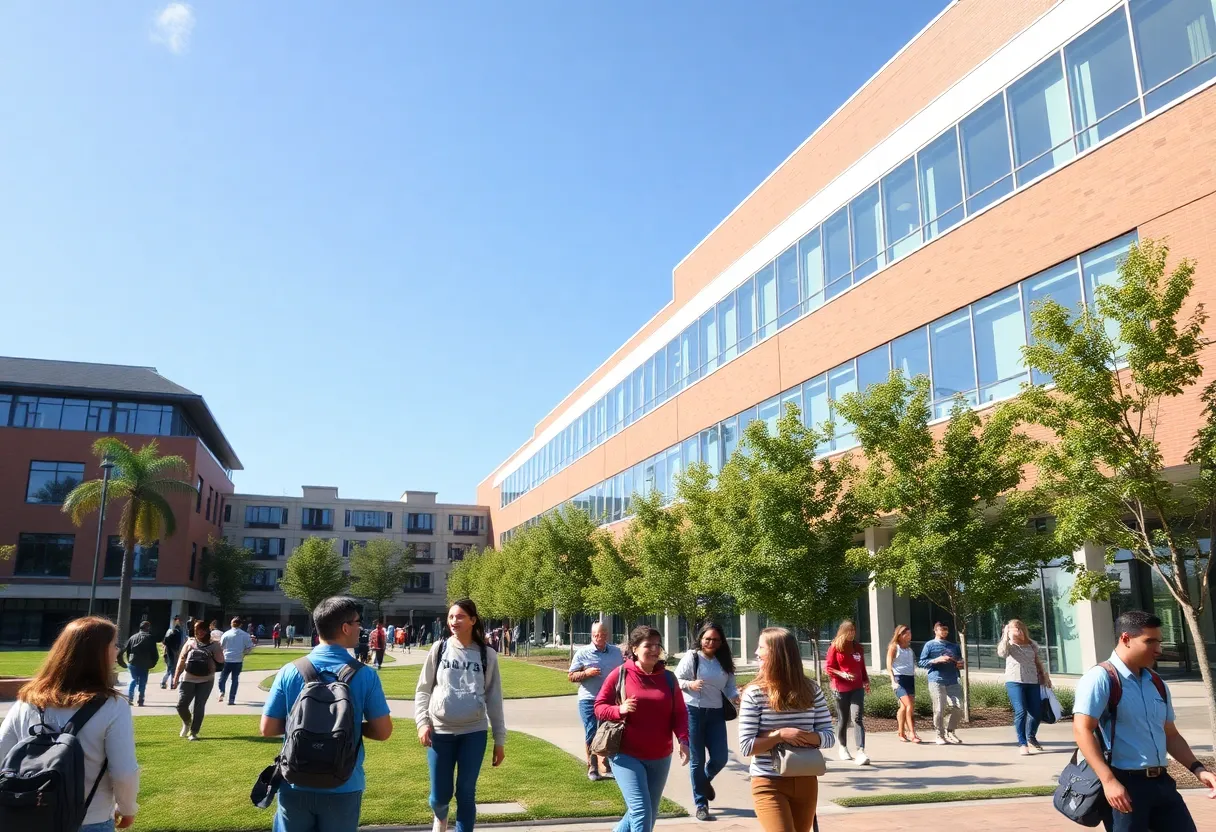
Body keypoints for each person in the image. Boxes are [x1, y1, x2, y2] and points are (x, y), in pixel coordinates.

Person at [1073, 610, 1216, 832]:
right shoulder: (1101, 678)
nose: (1158, 649)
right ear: (1126, 639)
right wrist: (1109, 782)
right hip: (1125, 786)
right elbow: (1082, 731)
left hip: (1162, 784)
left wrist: (1198, 769)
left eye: (1158, 641)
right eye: (1149, 641)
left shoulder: (1156, 682)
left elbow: (1171, 734)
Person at [261, 596, 393, 832]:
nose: (360, 628)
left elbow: (267, 728)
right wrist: (349, 726)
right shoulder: (365, 675)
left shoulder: (290, 671)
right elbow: (383, 731)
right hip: (343, 783)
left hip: (295, 781)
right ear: (345, 628)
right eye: (357, 622)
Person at [0, 616, 140, 832]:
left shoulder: (27, 701)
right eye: (113, 645)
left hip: (27, 814)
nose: (117, 651)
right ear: (97, 654)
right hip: (90, 818)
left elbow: (2, 755)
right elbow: (123, 772)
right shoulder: (112, 706)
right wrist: (128, 809)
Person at [416, 599, 507, 832]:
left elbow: (494, 698)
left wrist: (499, 740)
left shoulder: (487, 655)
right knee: (439, 796)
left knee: (466, 793)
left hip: (473, 732)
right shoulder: (439, 649)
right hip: (440, 732)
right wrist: (422, 723)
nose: (453, 621)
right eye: (451, 617)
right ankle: (441, 817)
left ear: (472, 620)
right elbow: (423, 688)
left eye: (459, 617)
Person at [739, 627, 836, 832]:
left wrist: (801, 736)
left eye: (761, 647)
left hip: (806, 780)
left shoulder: (811, 691)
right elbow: (747, 746)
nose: (756, 653)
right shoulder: (754, 694)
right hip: (768, 782)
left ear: (777, 653)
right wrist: (781, 735)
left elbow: (828, 737)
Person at [595, 626, 690, 832]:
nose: (655, 650)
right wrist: (619, 709)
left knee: (648, 812)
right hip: (626, 754)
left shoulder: (668, 678)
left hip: (660, 755)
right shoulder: (620, 674)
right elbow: (599, 707)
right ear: (634, 649)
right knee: (641, 811)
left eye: (658, 645)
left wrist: (683, 740)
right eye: (649, 645)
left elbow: (680, 713)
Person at [674, 622, 740, 821]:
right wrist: (690, 684)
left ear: (721, 642)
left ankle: (704, 781)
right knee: (697, 760)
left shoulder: (724, 661)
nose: (711, 642)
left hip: (716, 713)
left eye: (715, 640)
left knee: (720, 758)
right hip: (693, 711)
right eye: (708, 638)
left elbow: (730, 687)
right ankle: (701, 804)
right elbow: (676, 680)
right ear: (701, 639)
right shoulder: (692, 657)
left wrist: (736, 695)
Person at [568, 621, 625, 782]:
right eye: (597, 634)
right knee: (592, 732)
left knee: (608, 732)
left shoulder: (615, 652)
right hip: (589, 699)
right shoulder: (583, 653)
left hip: (609, 700)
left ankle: (605, 765)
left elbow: (623, 673)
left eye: (603, 634)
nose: (600, 637)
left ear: (607, 634)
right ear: (592, 635)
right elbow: (571, 676)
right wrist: (586, 673)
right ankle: (592, 767)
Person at [998, 619, 1050, 755]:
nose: (1017, 631)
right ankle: (1022, 743)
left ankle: (1031, 736)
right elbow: (1001, 653)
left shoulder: (1032, 644)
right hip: (1014, 681)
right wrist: (1005, 635)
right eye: (1013, 628)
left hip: (1033, 681)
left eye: (1018, 628)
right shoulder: (1008, 645)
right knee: (1021, 711)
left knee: (1036, 713)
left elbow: (1038, 661)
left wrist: (1045, 676)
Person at [825, 620, 870, 765]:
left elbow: (861, 666)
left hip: (857, 688)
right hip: (841, 688)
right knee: (843, 720)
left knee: (857, 717)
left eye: (853, 630)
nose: (852, 633)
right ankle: (843, 746)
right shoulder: (835, 647)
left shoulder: (858, 647)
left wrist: (865, 680)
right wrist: (842, 674)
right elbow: (829, 668)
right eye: (849, 630)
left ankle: (861, 751)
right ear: (843, 631)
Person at [173, 619, 224, 740]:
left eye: (202, 630)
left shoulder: (215, 645)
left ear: (207, 630)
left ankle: (194, 732)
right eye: (197, 630)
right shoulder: (190, 643)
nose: (199, 632)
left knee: (199, 707)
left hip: (206, 680)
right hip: (188, 678)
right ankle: (187, 722)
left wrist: (214, 654)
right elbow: (181, 660)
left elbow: (221, 662)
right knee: (181, 705)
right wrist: (175, 677)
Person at [918, 622, 964, 745]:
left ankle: (950, 731)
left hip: (953, 680)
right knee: (939, 708)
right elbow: (921, 662)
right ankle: (939, 734)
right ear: (935, 631)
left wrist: (960, 663)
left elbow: (960, 661)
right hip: (936, 680)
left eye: (946, 630)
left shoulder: (953, 646)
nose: (944, 632)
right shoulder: (929, 645)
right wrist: (936, 660)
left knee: (959, 706)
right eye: (941, 630)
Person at [886, 625, 921, 743]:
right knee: (908, 705)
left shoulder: (909, 650)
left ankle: (901, 732)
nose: (909, 636)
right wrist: (892, 680)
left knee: (904, 708)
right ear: (900, 635)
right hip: (899, 679)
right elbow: (889, 665)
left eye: (910, 634)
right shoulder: (894, 647)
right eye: (906, 634)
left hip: (909, 679)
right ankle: (912, 733)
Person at [219, 616, 256, 705]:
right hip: (238, 660)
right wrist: (243, 653)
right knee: (234, 679)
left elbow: (221, 646)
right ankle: (231, 699)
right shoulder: (245, 635)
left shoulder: (226, 634)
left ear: (231, 624)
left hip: (227, 659)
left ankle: (222, 691)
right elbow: (249, 647)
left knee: (222, 678)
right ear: (240, 625)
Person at [122, 620, 159, 707]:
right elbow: (154, 653)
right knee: (142, 681)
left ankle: (130, 698)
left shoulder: (132, 637)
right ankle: (140, 699)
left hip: (133, 663)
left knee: (133, 680)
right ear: (148, 628)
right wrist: (153, 663)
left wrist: (128, 660)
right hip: (144, 663)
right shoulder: (150, 638)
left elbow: (126, 650)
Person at [162, 615, 185, 690]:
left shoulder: (178, 630)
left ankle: (167, 682)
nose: (179, 622)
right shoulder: (173, 631)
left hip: (175, 651)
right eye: (177, 620)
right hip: (172, 651)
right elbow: (166, 641)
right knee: (171, 668)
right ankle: (170, 683)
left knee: (171, 668)